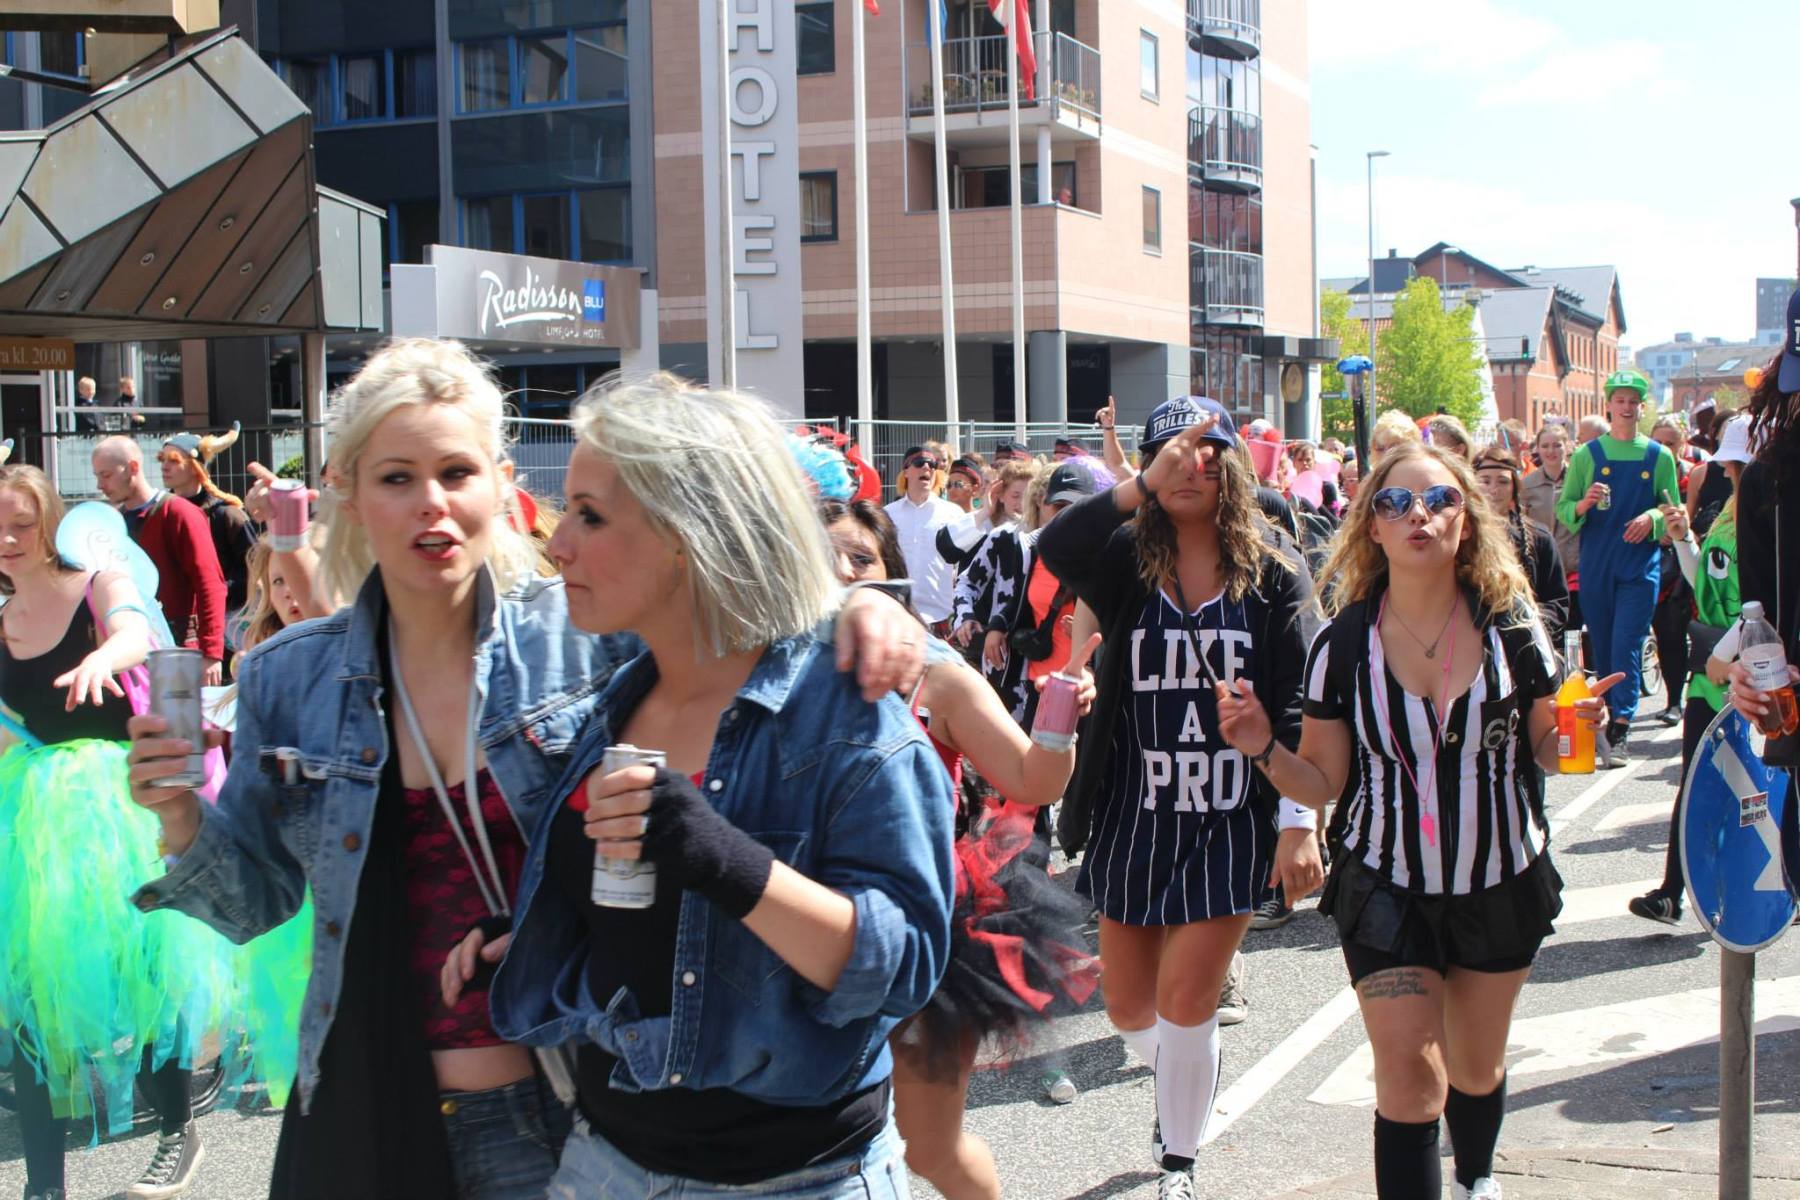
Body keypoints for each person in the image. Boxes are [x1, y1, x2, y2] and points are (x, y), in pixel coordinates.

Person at [124, 341, 932, 1200]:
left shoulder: (580, 638)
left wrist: (861, 612)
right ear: (348, 493)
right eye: (396, 478)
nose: (431, 503)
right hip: (373, 1091)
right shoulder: (289, 676)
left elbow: (726, 614)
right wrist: (178, 814)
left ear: (501, 486)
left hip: (573, 1101)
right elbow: (254, 904)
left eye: (457, 472)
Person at [485, 374, 954, 1200]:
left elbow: (904, 966)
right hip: (607, 1161)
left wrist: (720, 856)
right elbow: (648, 925)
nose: (559, 544)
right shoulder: (614, 698)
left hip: (797, 1180)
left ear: (686, 535)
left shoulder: (844, 713)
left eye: (591, 515)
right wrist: (531, 929)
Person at [1218, 440, 1616, 1200]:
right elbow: (1323, 780)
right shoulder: (1342, 644)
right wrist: (1263, 745)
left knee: (1474, 1067)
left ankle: (1476, 1179)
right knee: (1408, 1078)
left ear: (1468, 522)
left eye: (1440, 501)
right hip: (1386, 885)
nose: (1419, 517)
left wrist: (1580, 730)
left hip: (1500, 876)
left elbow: (1555, 753)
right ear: (1372, 525)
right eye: (1396, 503)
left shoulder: (1512, 626)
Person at [1036, 396, 1321, 1199]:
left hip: (1233, 812)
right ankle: (1183, 1086)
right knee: (1130, 1007)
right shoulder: (1125, 556)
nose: (1191, 465)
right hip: (1136, 810)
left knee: (1190, 995)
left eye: (1208, 452)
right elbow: (1055, 545)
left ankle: (1179, 1162)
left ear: (1233, 466)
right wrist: (1134, 487)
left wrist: (1299, 819)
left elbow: (1303, 702)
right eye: (1172, 454)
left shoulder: (1274, 566)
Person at [822, 495, 1098, 1200]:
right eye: (822, 557)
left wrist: (1060, 710)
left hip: (926, 936)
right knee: (822, 1148)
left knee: (929, 1148)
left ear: (891, 574)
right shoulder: (763, 672)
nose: (843, 573)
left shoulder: (934, 672)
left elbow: (1033, 779)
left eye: (860, 558)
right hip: (808, 933)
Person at [0, 464, 237, 1200]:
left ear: (49, 521)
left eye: (20, 522)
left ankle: (177, 1130)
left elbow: (135, 631)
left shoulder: (94, 580)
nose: (7, 538)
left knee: (145, 978)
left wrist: (102, 655)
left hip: (121, 807)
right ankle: (43, 1186)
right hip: (35, 824)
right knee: (33, 999)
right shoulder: (1, 621)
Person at [1628, 418, 1750, 925]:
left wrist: (1729, 651)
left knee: (1754, 787)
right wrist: (1683, 541)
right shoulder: (1729, 516)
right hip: (1711, 671)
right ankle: (1672, 891)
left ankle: (1758, 890)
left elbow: (1764, 601)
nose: (1729, 470)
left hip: (1750, 674)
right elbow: (1707, 583)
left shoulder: (1772, 521)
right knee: (1697, 781)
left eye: (1736, 463)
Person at [1556, 369, 1679, 765]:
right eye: (1620, 400)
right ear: (1608, 405)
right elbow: (1564, 508)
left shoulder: (1659, 456)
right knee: (1604, 643)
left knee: (1627, 640)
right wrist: (1584, 504)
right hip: (1597, 565)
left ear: (1642, 407)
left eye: (1633, 401)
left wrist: (1652, 519)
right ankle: (1604, 720)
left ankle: (1621, 725)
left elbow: (1672, 509)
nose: (1627, 407)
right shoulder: (1586, 455)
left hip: (1639, 566)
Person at [92, 436, 228, 686]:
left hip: (178, 650)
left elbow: (210, 583)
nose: (100, 484)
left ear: (133, 467)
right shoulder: (114, 523)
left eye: (106, 475)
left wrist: (211, 651)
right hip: (132, 652)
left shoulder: (179, 513)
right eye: (97, 476)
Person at [160, 427, 258, 628]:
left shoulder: (227, 515)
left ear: (195, 467)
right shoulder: (161, 515)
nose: (164, 467)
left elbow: (255, 566)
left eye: (174, 460)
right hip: (175, 620)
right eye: (162, 460)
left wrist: (218, 591)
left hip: (226, 620)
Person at [1472, 446, 1568, 641]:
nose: (1494, 489)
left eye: (1503, 481)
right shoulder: (1461, 539)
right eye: (1485, 481)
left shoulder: (1539, 538)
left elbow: (1557, 603)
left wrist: (1527, 627)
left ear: (1514, 487)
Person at [886, 443, 963, 632]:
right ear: (906, 471)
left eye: (932, 464)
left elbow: (965, 564)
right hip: (898, 616)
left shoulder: (953, 513)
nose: (927, 467)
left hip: (941, 617)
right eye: (920, 463)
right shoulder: (887, 514)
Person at [1520, 423, 1581, 650]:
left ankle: (1574, 669)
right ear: (1537, 448)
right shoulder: (1528, 484)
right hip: (1543, 567)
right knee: (1548, 631)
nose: (1551, 451)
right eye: (1545, 446)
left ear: (1568, 446)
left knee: (1573, 630)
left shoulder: (1579, 480)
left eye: (1557, 445)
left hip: (1575, 566)